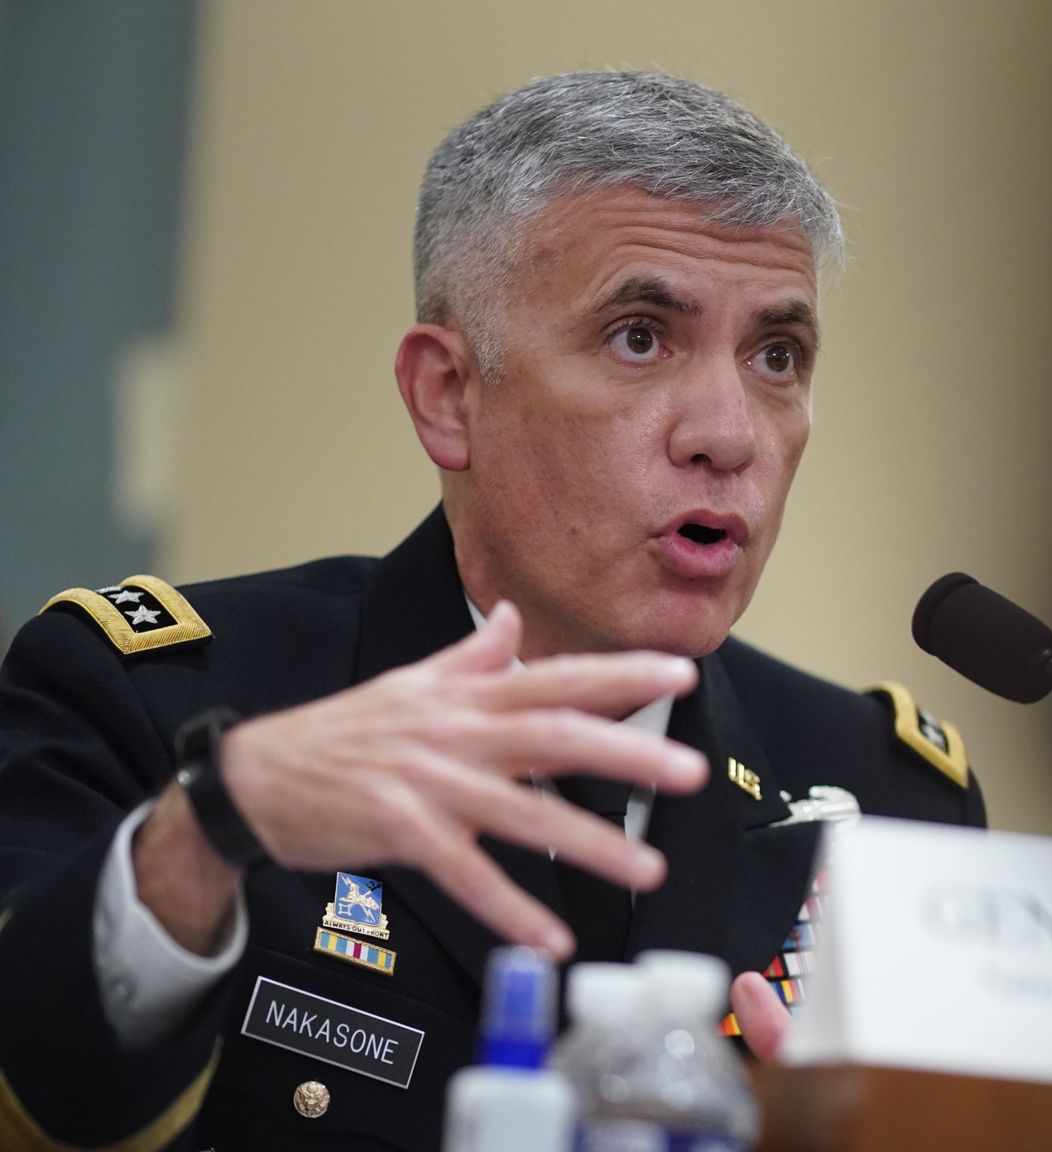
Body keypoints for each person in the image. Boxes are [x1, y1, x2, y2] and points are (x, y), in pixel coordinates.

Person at [0, 71, 985, 1152]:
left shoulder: (889, 809)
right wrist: (203, 833)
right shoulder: (157, 701)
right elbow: (39, 1092)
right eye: (641, 336)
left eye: (777, 357)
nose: (729, 432)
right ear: (448, 396)